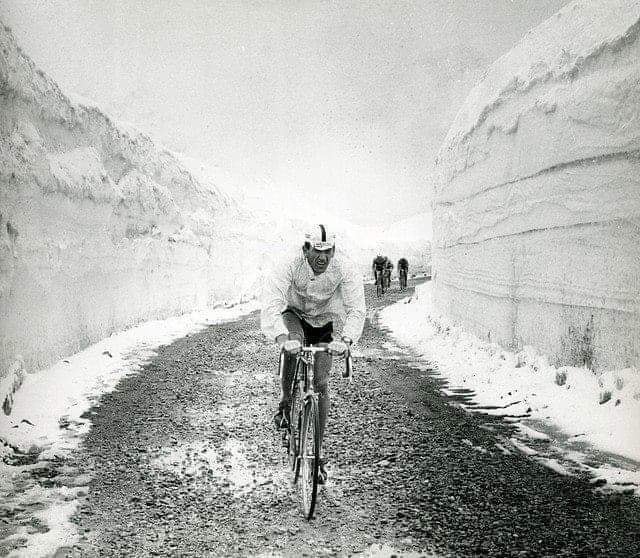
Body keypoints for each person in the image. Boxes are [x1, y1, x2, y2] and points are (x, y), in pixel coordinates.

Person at [261, 224, 365, 484]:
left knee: (320, 383)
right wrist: (282, 337)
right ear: (305, 249)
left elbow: (356, 308)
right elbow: (271, 304)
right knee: (294, 346)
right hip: (294, 315)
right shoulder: (288, 264)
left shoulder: (345, 267)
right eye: (317, 251)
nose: (322, 258)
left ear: (334, 250)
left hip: (325, 321)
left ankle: (318, 455)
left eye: (328, 251)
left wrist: (347, 339)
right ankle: (286, 403)